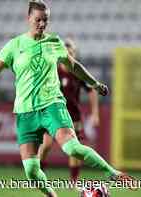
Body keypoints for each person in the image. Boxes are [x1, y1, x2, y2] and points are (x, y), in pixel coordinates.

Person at [0, 1, 136, 196]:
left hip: (52, 105)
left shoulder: (54, 42)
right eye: (38, 20)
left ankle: (113, 173)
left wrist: (95, 83)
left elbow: (74, 66)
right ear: (28, 19)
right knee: (31, 171)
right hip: (25, 112)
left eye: (45, 20)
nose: (42, 24)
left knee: (73, 148)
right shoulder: (14, 45)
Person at [38, 38, 100, 182]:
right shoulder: (53, 71)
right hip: (53, 114)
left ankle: (74, 181)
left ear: (74, 53)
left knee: (74, 150)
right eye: (66, 51)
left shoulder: (78, 72)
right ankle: (38, 174)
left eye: (71, 51)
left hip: (73, 116)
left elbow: (92, 91)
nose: (68, 53)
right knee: (46, 145)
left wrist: (95, 113)